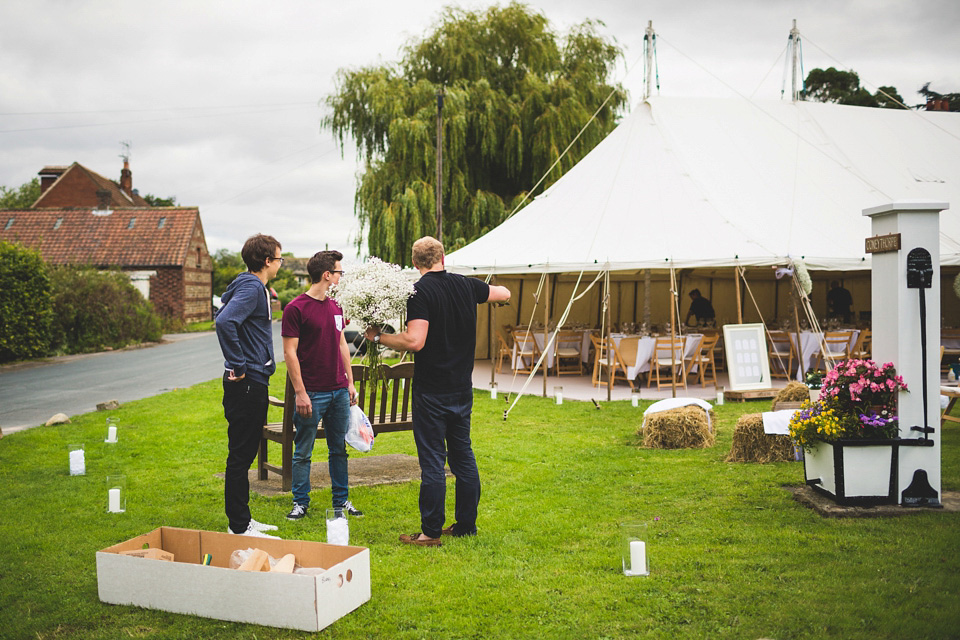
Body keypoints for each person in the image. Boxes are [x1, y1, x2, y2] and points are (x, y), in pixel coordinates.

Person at [365, 236, 510, 547]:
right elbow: (504, 292)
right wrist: (498, 298)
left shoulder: (419, 291)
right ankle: (466, 525)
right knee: (463, 457)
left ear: (416, 264)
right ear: (443, 257)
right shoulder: (468, 285)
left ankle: (430, 532)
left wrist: (378, 338)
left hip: (431, 391)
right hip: (462, 388)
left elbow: (415, 341)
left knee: (433, 461)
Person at [281, 250, 360, 521]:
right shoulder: (295, 308)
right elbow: (289, 353)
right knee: (303, 451)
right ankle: (300, 503)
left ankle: (342, 501)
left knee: (338, 449)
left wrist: (349, 381)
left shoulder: (336, 306)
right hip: (311, 393)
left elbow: (341, 344)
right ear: (327, 275)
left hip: (339, 391)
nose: (340, 276)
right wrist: (300, 393)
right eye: (339, 271)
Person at [215, 233, 284, 539]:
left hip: (253, 380)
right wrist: (239, 365)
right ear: (267, 261)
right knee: (241, 455)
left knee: (243, 454)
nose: (280, 263)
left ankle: (241, 520)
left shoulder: (250, 285)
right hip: (247, 382)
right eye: (279, 258)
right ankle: (239, 526)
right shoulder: (253, 286)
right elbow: (225, 321)